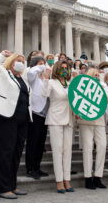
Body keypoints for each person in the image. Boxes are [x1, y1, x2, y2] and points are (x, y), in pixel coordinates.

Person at [0, 52, 30, 200]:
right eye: (18, 60)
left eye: (23, 61)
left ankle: (12, 185)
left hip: (21, 120)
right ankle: (2, 188)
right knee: (4, 153)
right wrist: (2, 55)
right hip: (4, 118)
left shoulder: (22, 78)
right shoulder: (2, 73)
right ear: (11, 62)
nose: (21, 63)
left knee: (16, 153)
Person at [77, 68, 108, 190]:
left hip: (99, 121)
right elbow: (76, 100)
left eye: (98, 75)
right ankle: (88, 178)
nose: (97, 76)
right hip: (85, 120)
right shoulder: (82, 86)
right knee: (88, 148)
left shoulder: (102, 88)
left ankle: (98, 177)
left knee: (102, 147)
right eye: (95, 75)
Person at [41, 60, 74, 194]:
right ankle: (59, 181)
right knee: (57, 151)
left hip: (69, 119)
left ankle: (67, 179)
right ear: (57, 69)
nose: (65, 70)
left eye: (67, 68)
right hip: (55, 119)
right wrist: (45, 79)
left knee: (68, 151)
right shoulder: (51, 82)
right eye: (62, 68)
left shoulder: (71, 84)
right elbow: (45, 94)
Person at [25, 56, 51, 180]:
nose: (44, 66)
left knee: (41, 143)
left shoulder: (46, 78)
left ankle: (37, 166)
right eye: (41, 64)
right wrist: (40, 66)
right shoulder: (33, 77)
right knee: (32, 142)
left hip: (45, 114)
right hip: (35, 112)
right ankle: (30, 168)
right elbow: (30, 72)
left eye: (44, 64)